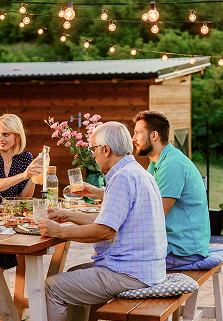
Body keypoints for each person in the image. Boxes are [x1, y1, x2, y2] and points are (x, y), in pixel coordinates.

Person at [39, 121, 167, 321]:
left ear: (105, 149)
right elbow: (108, 221)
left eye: (93, 148)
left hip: (130, 274)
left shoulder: (123, 177)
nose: (92, 154)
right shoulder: (138, 172)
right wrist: (66, 215)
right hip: (147, 269)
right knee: (73, 275)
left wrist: (59, 232)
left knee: (51, 288)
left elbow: (104, 231)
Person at [0, 113, 42, 320]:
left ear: (17, 136)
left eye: (5, 134)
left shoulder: (25, 158)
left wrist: (36, 176)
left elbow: (23, 197)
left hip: (6, 218)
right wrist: (24, 174)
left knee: (3, 254)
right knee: (0, 255)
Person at [132, 110, 212, 270]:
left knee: (119, 261)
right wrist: (99, 193)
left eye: (137, 133)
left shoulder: (172, 165)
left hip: (182, 251)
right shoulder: (156, 164)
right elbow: (137, 197)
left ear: (154, 136)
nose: (133, 139)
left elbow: (155, 216)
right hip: (173, 246)